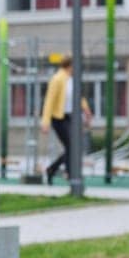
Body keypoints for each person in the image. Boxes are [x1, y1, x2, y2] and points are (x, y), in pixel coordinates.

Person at [41, 53, 92, 186]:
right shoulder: (57, 79)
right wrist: (45, 121)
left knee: (75, 146)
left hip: (71, 116)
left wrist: (86, 110)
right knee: (72, 145)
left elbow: (79, 96)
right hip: (59, 117)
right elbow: (49, 100)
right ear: (70, 65)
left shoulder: (72, 79)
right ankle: (70, 174)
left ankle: (52, 169)